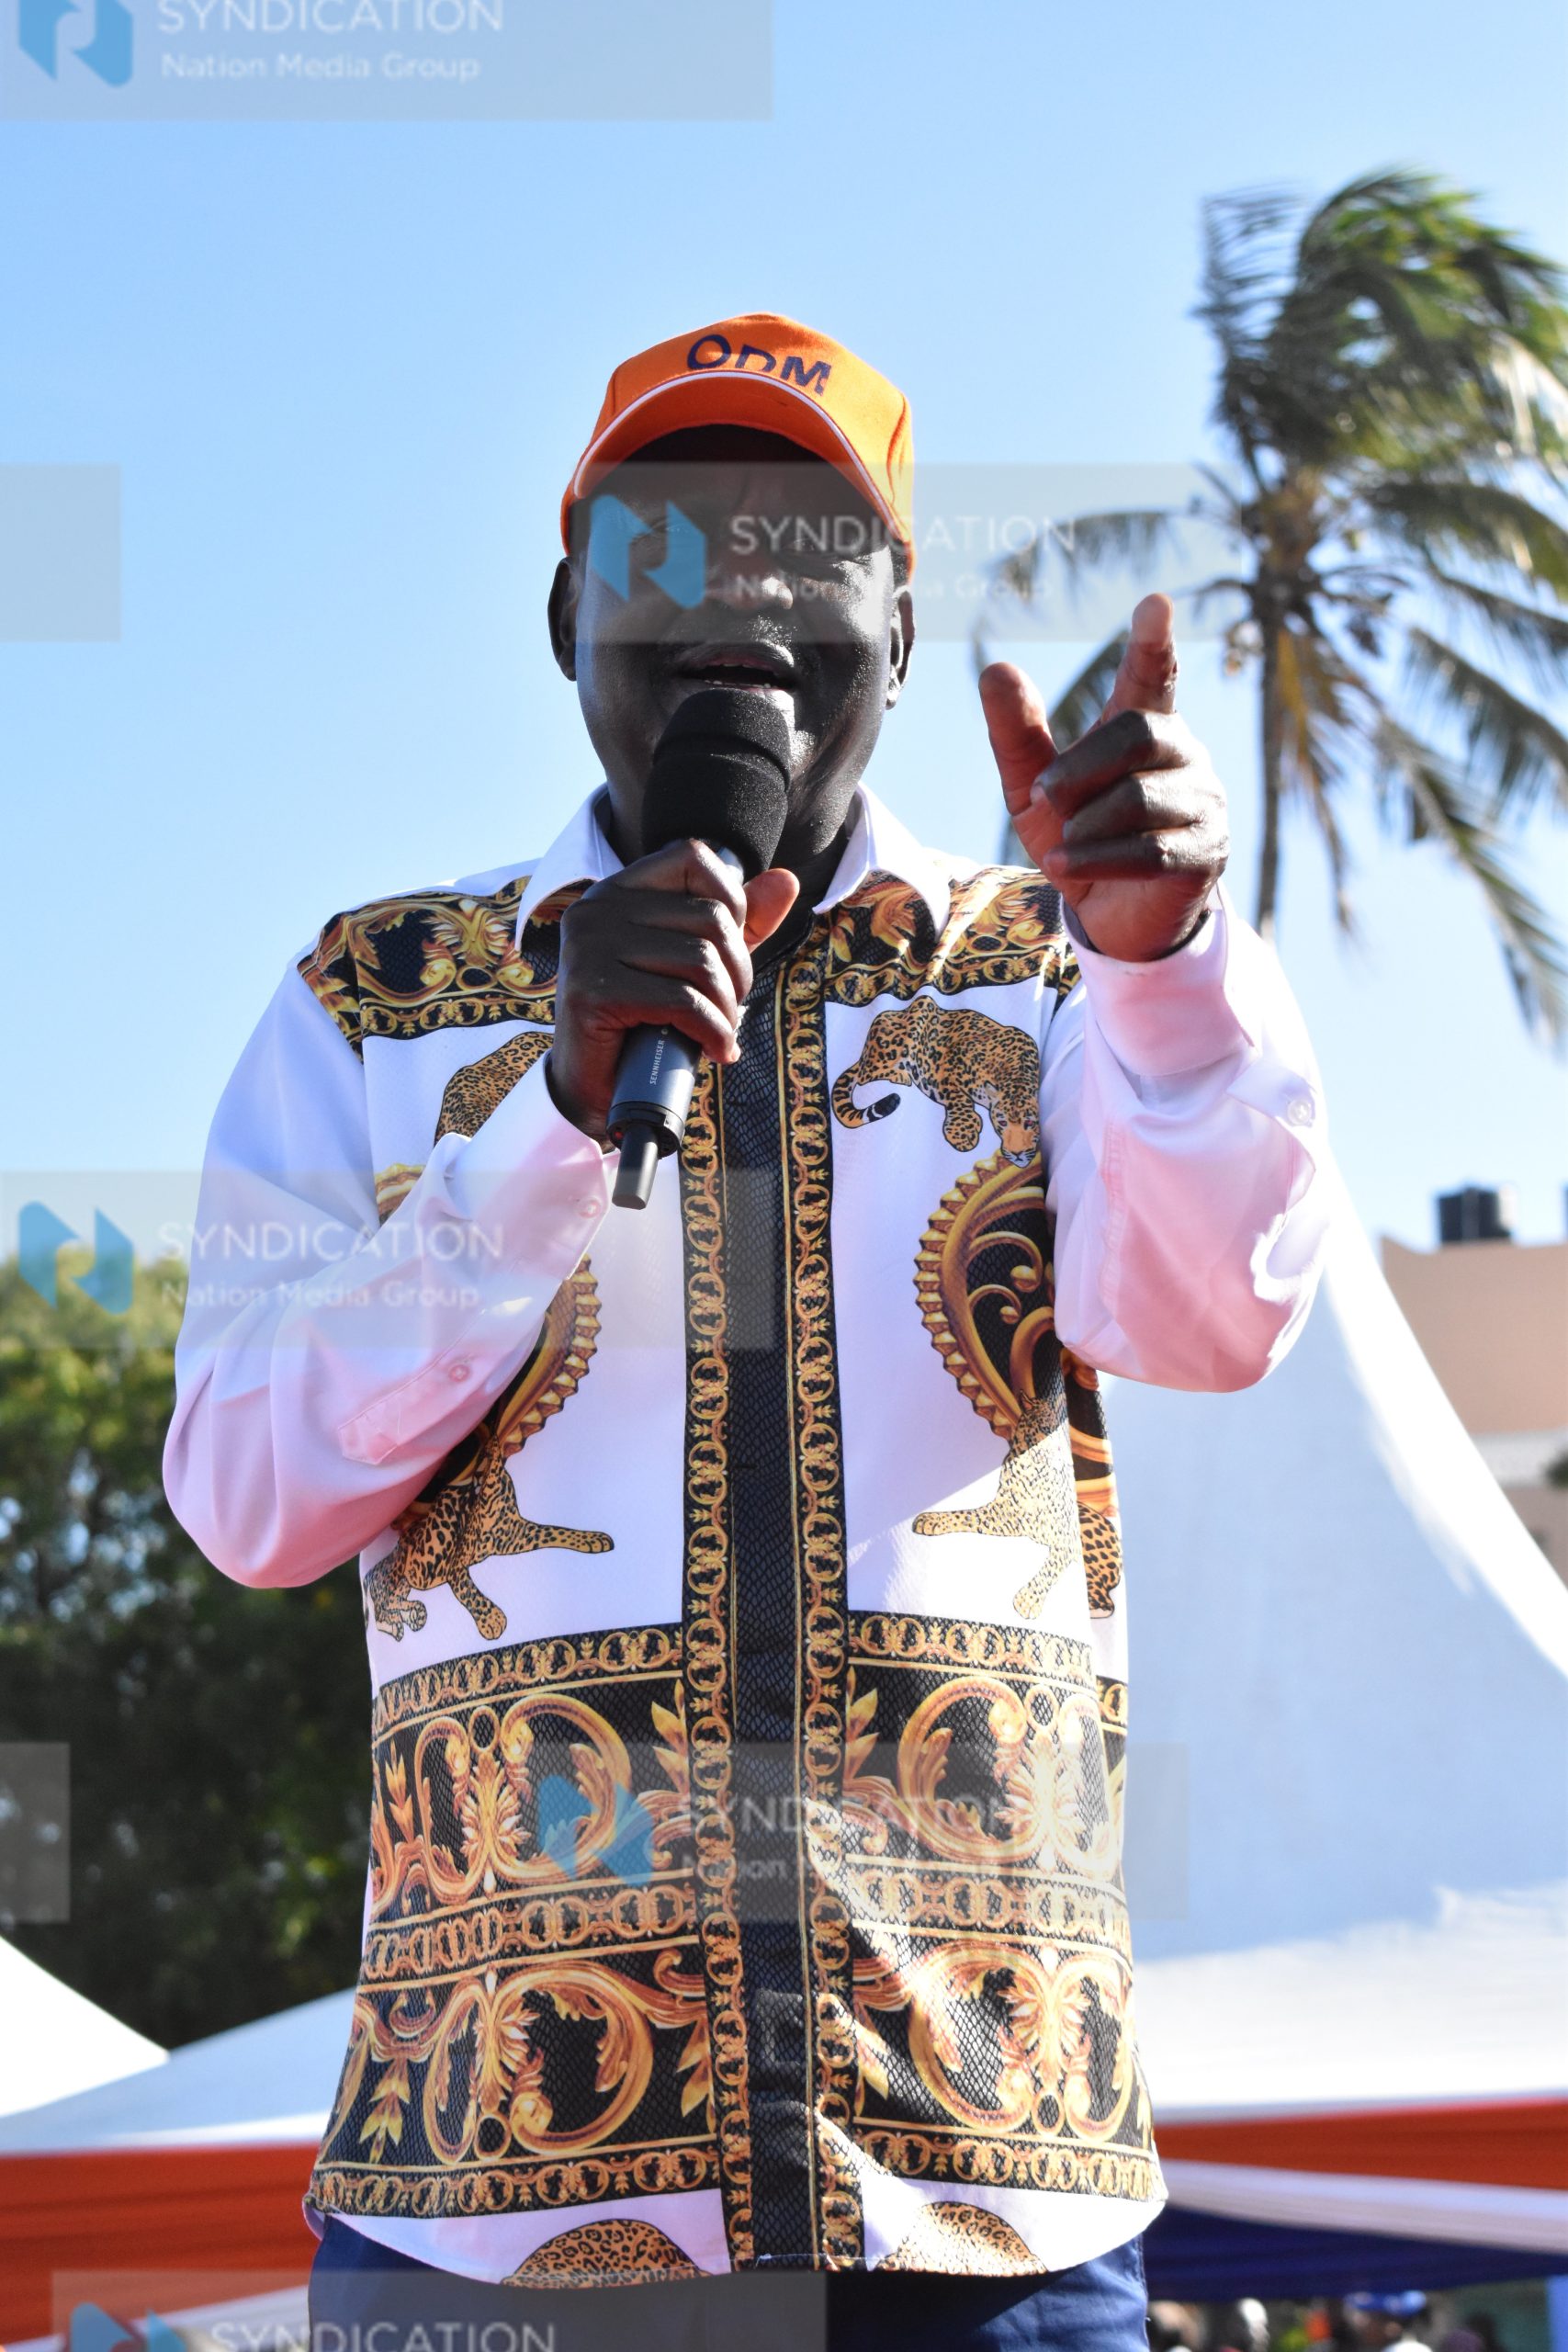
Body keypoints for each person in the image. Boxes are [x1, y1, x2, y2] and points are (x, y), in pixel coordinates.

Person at [164, 312, 1333, 2351]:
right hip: (496, 2194)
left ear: (899, 622)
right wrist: (544, 1120)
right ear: (566, 618)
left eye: (808, 550)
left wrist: (1162, 969)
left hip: (978, 2179)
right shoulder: (373, 997)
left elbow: (1214, 1312)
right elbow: (249, 1495)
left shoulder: (1062, 958)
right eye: (665, 550)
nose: (736, 606)